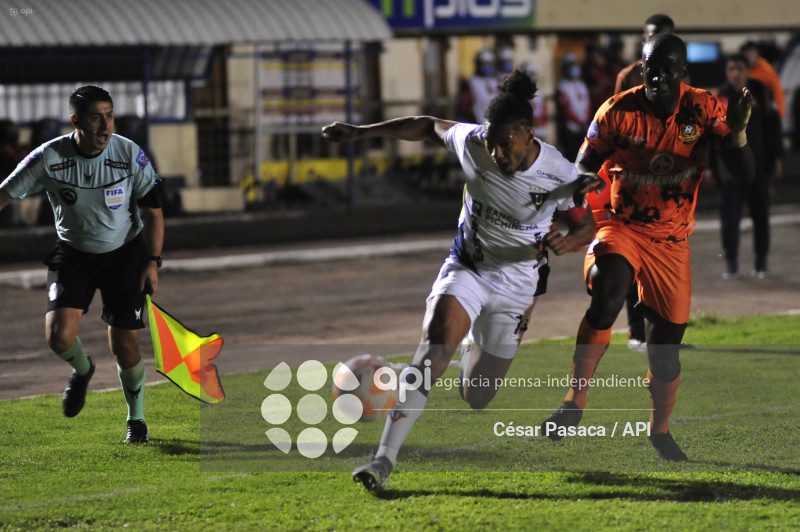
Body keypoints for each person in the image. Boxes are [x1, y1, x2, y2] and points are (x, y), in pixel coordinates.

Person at [322, 68, 600, 490]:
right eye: (492, 144)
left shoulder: (559, 171)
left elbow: (591, 222)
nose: (497, 154)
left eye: (505, 145)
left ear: (528, 135)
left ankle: (441, 357)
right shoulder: (473, 142)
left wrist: (571, 241)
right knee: (431, 353)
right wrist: (360, 132)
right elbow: (426, 125)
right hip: (466, 268)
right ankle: (382, 462)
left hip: (518, 287)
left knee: (477, 397)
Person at [540, 34, 754, 461]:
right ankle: (573, 402)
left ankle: (660, 431)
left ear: (682, 73)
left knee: (665, 356)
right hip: (622, 226)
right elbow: (582, 163)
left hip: (672, 243)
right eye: (649, 67)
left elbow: (745, 175)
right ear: (641, 69)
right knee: (608, 290)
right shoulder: (617, 111)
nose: (656, 75)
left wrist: (740, 133)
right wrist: (581, 185)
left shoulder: (703, 109)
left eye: (666, 68)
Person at [0, 85, 163, 444]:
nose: (105, 125)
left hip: (125, 255)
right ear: (75, 120)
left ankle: (136, 419)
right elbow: (5, 194)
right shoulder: (49, 157)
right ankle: (83, 368)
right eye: (95, 117)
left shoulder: (129, 154)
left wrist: (151, 262)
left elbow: (153, 212)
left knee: (126, 347)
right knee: (59, 337)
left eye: (109, 114)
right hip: (73, 254)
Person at [609, 13, 685, 352]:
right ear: (643, 38)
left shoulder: (682, 75)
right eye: (654, 35)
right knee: (627, 255)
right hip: (634, 175)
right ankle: (635, 331)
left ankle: (663, 330)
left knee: (666, 252)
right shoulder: (628, 77)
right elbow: (614, 119)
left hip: (669, 178)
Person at [710, 53, 783, 279]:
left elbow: (773, 125)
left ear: (746, 70)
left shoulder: (761, 90)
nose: (735, 73)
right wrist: (711, 166)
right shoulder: (719, 96)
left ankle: (761, 263)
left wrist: (776, 157)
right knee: (730, 218)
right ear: (726, 71)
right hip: (730, 169)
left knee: (761, 216)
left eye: (739, 68)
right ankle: (731, 262)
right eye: (731, 68)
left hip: (758, 166)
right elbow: (711, 135)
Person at [615, 14, 680, 94]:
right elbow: (618, 105)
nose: (659, 43)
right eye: (653, 37)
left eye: (665, 39)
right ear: (644, 39)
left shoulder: (680, 75)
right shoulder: (628, 76)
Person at [556, 53, 591, 162]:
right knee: (571, 157)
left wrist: (585, 120)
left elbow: (587, 104)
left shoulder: (581, 85)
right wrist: (578, 121)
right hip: (571, 128)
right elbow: (565, 109)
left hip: (583, 127)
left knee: (584, 157)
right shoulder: (562, 86)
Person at [741, 41, 786, 119]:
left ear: (757, 53)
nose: (749, 56)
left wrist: (780, 114)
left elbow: (778, 93)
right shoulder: (740, 70)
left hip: (763, 113)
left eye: (751, 53)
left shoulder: (766, 70)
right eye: (747, 54)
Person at [455, 49, 498, 124]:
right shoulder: (471, 82)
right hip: (477, 126)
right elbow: (463, 107)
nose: (487, 66)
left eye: (489, 64)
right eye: (484, 64)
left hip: (494, 126)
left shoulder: (495, 81)